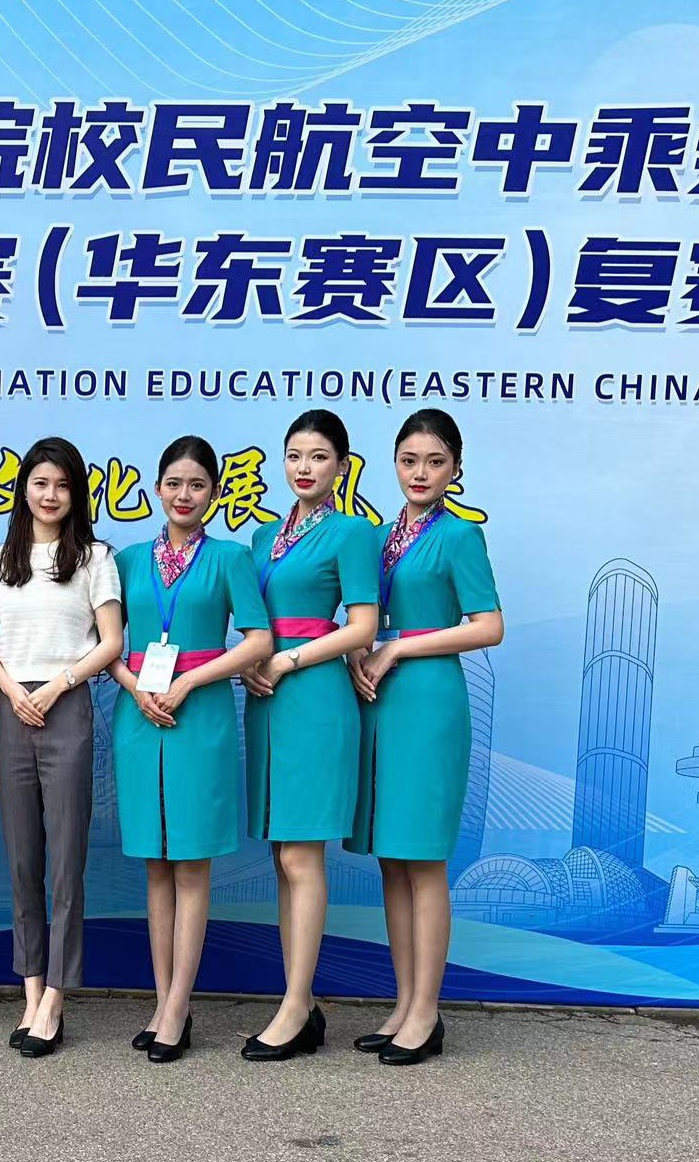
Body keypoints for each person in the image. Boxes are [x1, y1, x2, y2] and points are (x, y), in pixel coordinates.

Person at [347, 408, 505, 1067]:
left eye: (435, 462)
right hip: (377, 701)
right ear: (394, 463)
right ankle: (404, 1003)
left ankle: (427, 1012)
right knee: (391, 857)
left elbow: (488, 626)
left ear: (455, 469)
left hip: (429, 703)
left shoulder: (460, 536)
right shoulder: (378, 538)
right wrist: (360, 652)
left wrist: (397, 648)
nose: (420, 473)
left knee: (424, 858)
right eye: (409, 460)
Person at [107, 436, 272, 1064]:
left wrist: (190, 681)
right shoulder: (126, 560)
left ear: (215, 493)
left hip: (199, 716)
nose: (184, 495)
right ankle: (162, 1001)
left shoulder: (230, 557)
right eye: (174, 483)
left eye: (197, 485)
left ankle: (178, 1006)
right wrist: (136, 687)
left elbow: (258, 641)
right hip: (139, 716)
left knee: (191, 863)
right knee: (155, 863)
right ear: (156, 489)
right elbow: (109, 645)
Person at [0, 436, 123, 1058]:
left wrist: (57, 685)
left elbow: (111, 641)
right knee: (21, 860)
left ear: (76, 494)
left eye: (62, 485)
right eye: (40, 483)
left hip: (67, 708)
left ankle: (56, 999)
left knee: (65, 861)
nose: (51, 495)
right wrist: (14, 691)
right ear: (24, 489)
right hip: (12, 709)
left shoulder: (93, 557)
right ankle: (30, 990)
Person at [237, 410, 379, 1061]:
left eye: (318, 456)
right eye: (294, 454)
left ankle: (296, 1006)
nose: (303, 467)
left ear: (341, 466)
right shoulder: (263, 535)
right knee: (281, 857)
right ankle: (302, 1002)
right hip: (266, 699)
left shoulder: (352, 533)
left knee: (301, 856)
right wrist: (250, 663)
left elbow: (362, 627)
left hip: (314, 696)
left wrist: (288, 660)